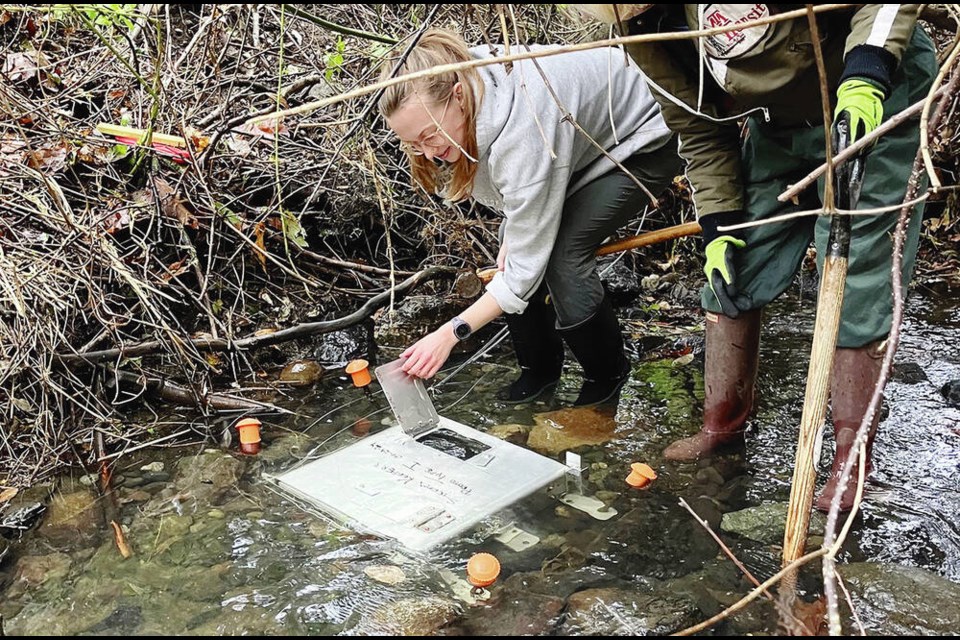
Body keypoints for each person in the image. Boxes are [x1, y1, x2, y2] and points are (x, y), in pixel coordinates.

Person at [584, 4, 935, 511]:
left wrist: (869, 69)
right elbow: (700, 131)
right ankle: (721, 425)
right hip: (780, 125)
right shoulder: (642, 30)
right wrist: (720, 224)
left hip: (879, 92)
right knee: (733, 272)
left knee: (859, 277)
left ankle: (849, 463)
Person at [378, 28, 680, 406]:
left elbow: (522, 264)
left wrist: (450, 333)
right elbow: (522, 202)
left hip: (646, 137)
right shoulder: (453, 76)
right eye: (413, 144)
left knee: (562, 256)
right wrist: (518, 235)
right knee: (519, 239)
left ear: (458, 97)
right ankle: (539, 372)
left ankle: (606, 380)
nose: (428, 153)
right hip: (579, 144)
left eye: (429, 136)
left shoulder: (522, 128)